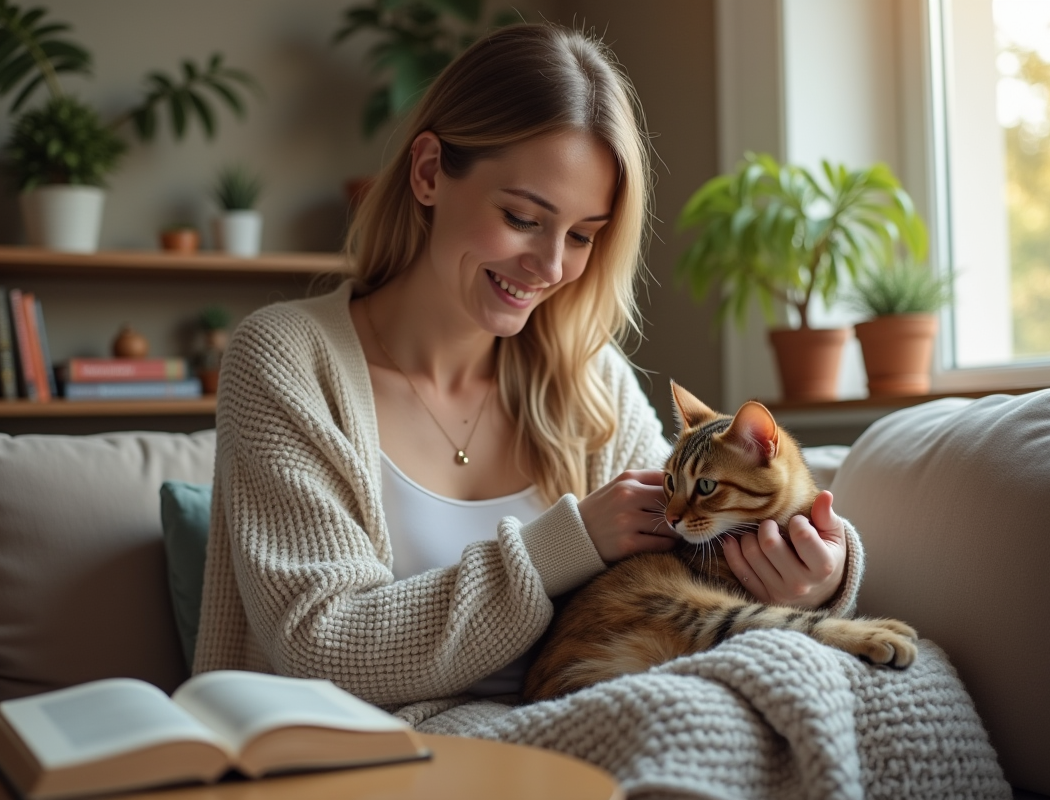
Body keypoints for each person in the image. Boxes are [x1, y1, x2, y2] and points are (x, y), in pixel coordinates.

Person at [192, 22, 857, 708]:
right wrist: (560, 546)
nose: (550, 267)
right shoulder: (285, 359)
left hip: (580, 732)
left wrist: (818, 575)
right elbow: (321, 645)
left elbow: (696, 545)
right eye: (521, 217)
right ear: (428, 174)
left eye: (582, 236)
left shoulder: (589, 379)